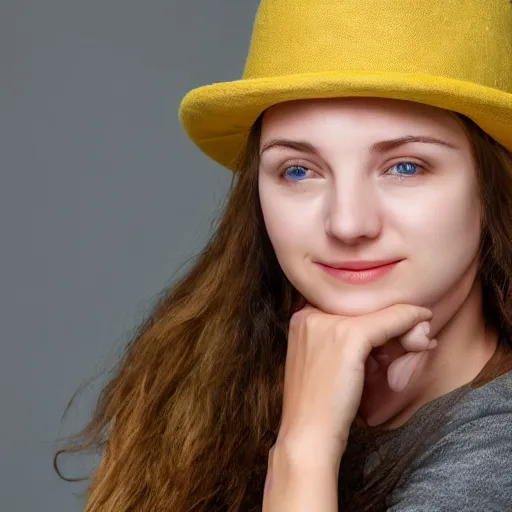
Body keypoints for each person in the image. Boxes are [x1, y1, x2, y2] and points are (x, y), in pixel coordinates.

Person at [54, 0, 512, 510]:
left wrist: (305, 447)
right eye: (299, 170)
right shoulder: (208, 379)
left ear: (491, 185)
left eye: (405, 167)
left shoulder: (498, 451)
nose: (348, 223)